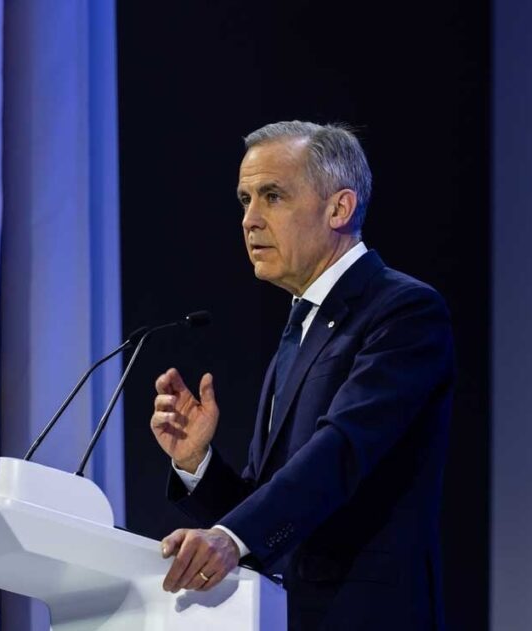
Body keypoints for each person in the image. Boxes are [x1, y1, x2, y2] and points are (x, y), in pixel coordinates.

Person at [150, 121, 454, 630]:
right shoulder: (301, 327)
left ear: (339, 208)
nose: (249, 220)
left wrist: (229, 537)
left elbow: (341, 451)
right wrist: (197, 461)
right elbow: (270, 504)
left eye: (272, 196)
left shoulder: (404, 310)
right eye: (244, 200)